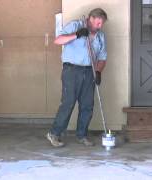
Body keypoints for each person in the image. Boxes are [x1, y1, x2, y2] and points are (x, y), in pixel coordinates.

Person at [46, 8, 108, 147]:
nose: (100, 26)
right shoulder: (75, 25)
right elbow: (58, 40)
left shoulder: (100, 36)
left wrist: (98, 72)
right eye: (98, 23)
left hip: (90, 71)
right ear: (90, 19)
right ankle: (54, 134)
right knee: (68, 103)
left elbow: (102, 57)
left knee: (87, 105)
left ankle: (82, 135)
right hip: (72, 70)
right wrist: (77, 35)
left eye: (101, 24)